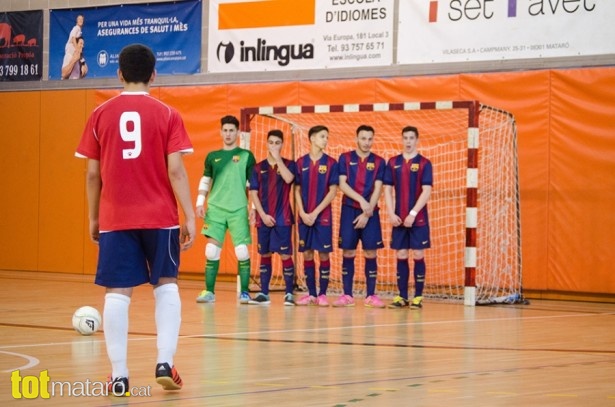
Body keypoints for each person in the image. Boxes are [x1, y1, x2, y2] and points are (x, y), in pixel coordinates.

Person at [75, 44, 195, 394]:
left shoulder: (100, 114)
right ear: (154, 75)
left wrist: (94, 217)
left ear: (120, 74)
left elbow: (92, 175)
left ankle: (119, 375)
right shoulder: (168, 114)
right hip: (160, 216)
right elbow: (176, 170)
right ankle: (164, 361)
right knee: (167, 284)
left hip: (116, 216)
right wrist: (189, 215)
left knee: (118, 293)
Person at [195, 115, 256, 304]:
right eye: (225, 130)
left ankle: (245, 292)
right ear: (221, 132)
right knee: (211, 250)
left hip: (238, 209)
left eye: (232, 130)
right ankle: (209, 291)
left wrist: (253, 207)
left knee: (241, 252)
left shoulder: (246, 156)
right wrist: (199, 202)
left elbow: (252, 184)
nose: (228, 134)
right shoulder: (213, 157)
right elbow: (206, 180)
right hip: (216, 209)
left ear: (237, 133)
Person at [334, 125, 386, 308]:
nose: (367, 142)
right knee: (348, 251)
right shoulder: (345, 158)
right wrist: (361, 202)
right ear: (356, 138)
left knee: (371, 252)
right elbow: (342, 184)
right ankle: (347, 295)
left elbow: (378, 188)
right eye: (363, 138)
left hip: (371, 213)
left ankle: (371, 295)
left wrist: (367, 210)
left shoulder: (379, 162)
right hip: (349, 210)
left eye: (370, 139)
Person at [384, 126, 433, 309]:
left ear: (417, 140)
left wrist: (413, 213)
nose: (408, 141)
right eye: (405, 138)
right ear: (402, 139)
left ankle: (418, 297)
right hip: (398, 218)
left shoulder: (424, 163)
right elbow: (387, 189)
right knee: (401, 254)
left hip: (418, 219)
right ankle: (402, 296)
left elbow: (426, 191)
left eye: (412, 138)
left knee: (418, 254)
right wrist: (390, 212)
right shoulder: (393, 162)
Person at [248, 129, 297, 305]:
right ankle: (264, 293)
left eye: (277, 142)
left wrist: (277, 160)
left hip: (283, 218)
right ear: (267, 143)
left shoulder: (289, 164)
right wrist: (262, 214)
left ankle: (289, 293)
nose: (274, 146)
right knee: (265, 254)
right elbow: (253, 193)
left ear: (282, 144)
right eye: (271, 142)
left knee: (285, 255)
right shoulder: (257, 168)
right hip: (264, 219)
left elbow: (289, 179)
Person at [294, 125, 339, 306]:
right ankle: (311, 293)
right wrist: (303, 212)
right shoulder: (300, 162)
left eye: (326, 137)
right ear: (312, 138)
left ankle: (322, 294)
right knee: (307, 254)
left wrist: (315, 212)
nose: (325, 140)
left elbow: (333, 191)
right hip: (304, 217)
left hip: (322, 217)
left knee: (324, 255)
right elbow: (296, 189)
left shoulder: (331, 163)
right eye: (322, 137)